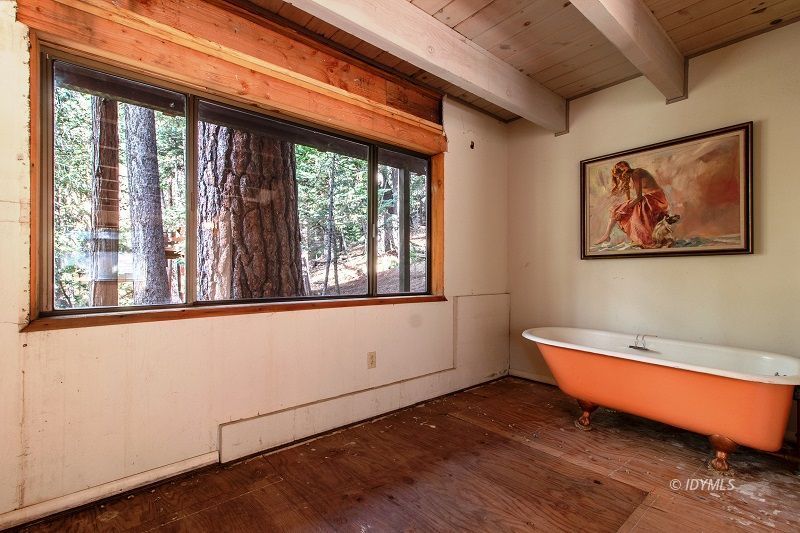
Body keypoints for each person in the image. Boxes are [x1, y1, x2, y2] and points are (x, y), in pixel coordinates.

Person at [593, 161, 670, 248]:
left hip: (656, 199)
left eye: (619, 177)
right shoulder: (633, 175)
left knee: (619, 209)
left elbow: (639, 197)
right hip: (653, 198)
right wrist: (626, 208)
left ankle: (606, 235)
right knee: (622, 209)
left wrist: (625, 209)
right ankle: (607, 235)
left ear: (623, 172)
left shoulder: (636, 173)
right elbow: (630, 199)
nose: (620, 180)